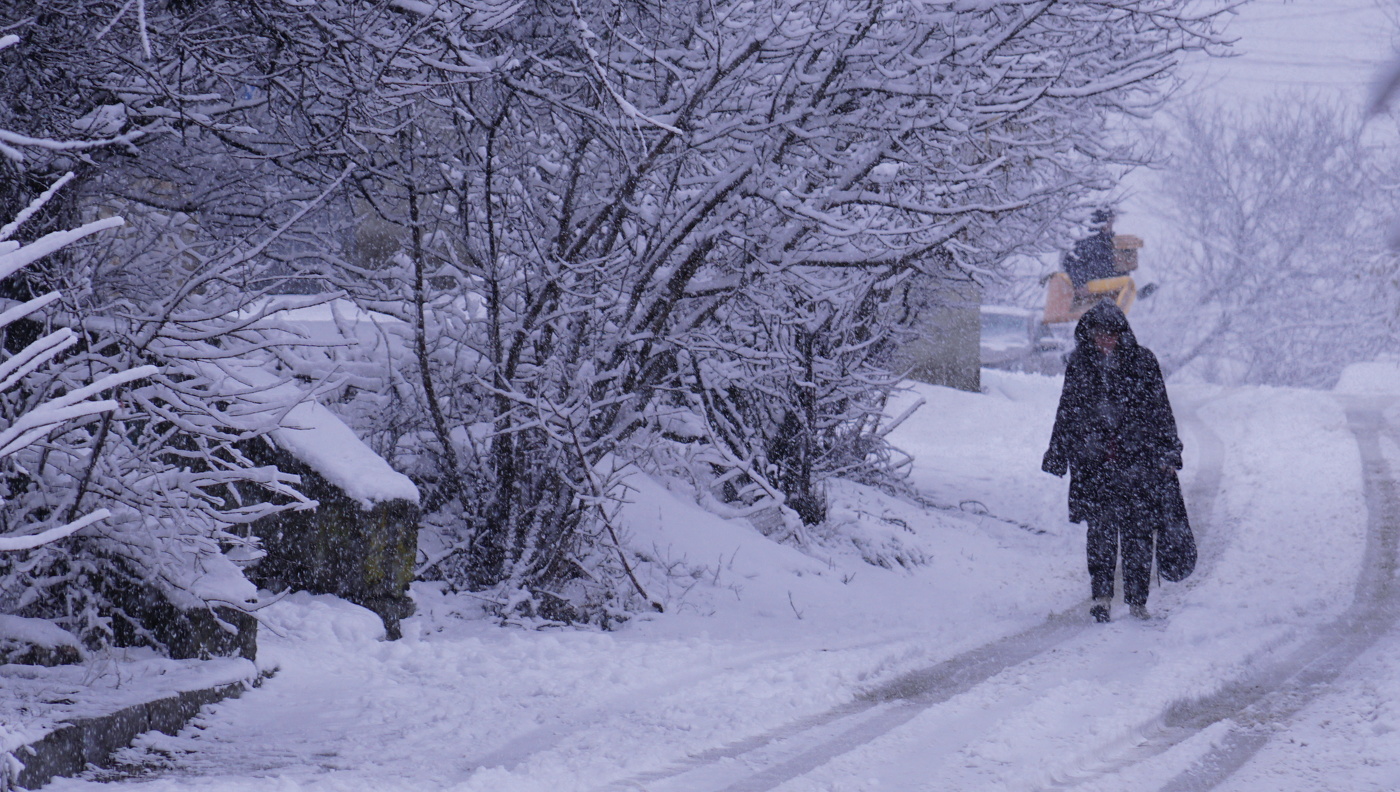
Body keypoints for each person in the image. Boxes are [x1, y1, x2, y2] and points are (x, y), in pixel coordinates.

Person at [1041, 300, 1183, 622]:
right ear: (1089, 334)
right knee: (1101, 533)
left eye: (1112, 334)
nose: (1106, 340)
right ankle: (1102, 597)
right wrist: (1058, 453)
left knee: (1138, 534)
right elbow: (1068, 411)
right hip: (1095, 465)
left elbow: (1160, 408)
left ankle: (1136, 600)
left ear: (1122, 334)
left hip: (1138, 463)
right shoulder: (1080, 364)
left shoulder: (1143, 362)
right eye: (1100, 334)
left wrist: (1168, 450)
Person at [1062, 209, 1119, 291]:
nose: (1111, 224)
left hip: (1112, 288)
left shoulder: (1113, 242)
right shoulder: (1086, 243)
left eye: (1112, 221)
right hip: (1092, 291)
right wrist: (1080, 284)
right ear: (1101, 223)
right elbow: (1070, 264)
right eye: (1109, 221)